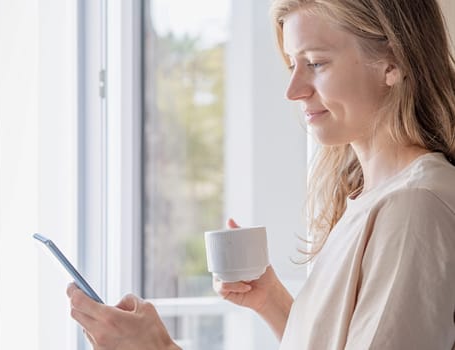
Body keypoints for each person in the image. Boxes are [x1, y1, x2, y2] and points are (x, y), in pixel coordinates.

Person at [67, 0, 455, 348]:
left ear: (393, 62)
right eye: (292, 65)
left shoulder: (412, 206)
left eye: (315, 63)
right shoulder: (374, 197)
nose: (293, 89)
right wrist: (272, 301)